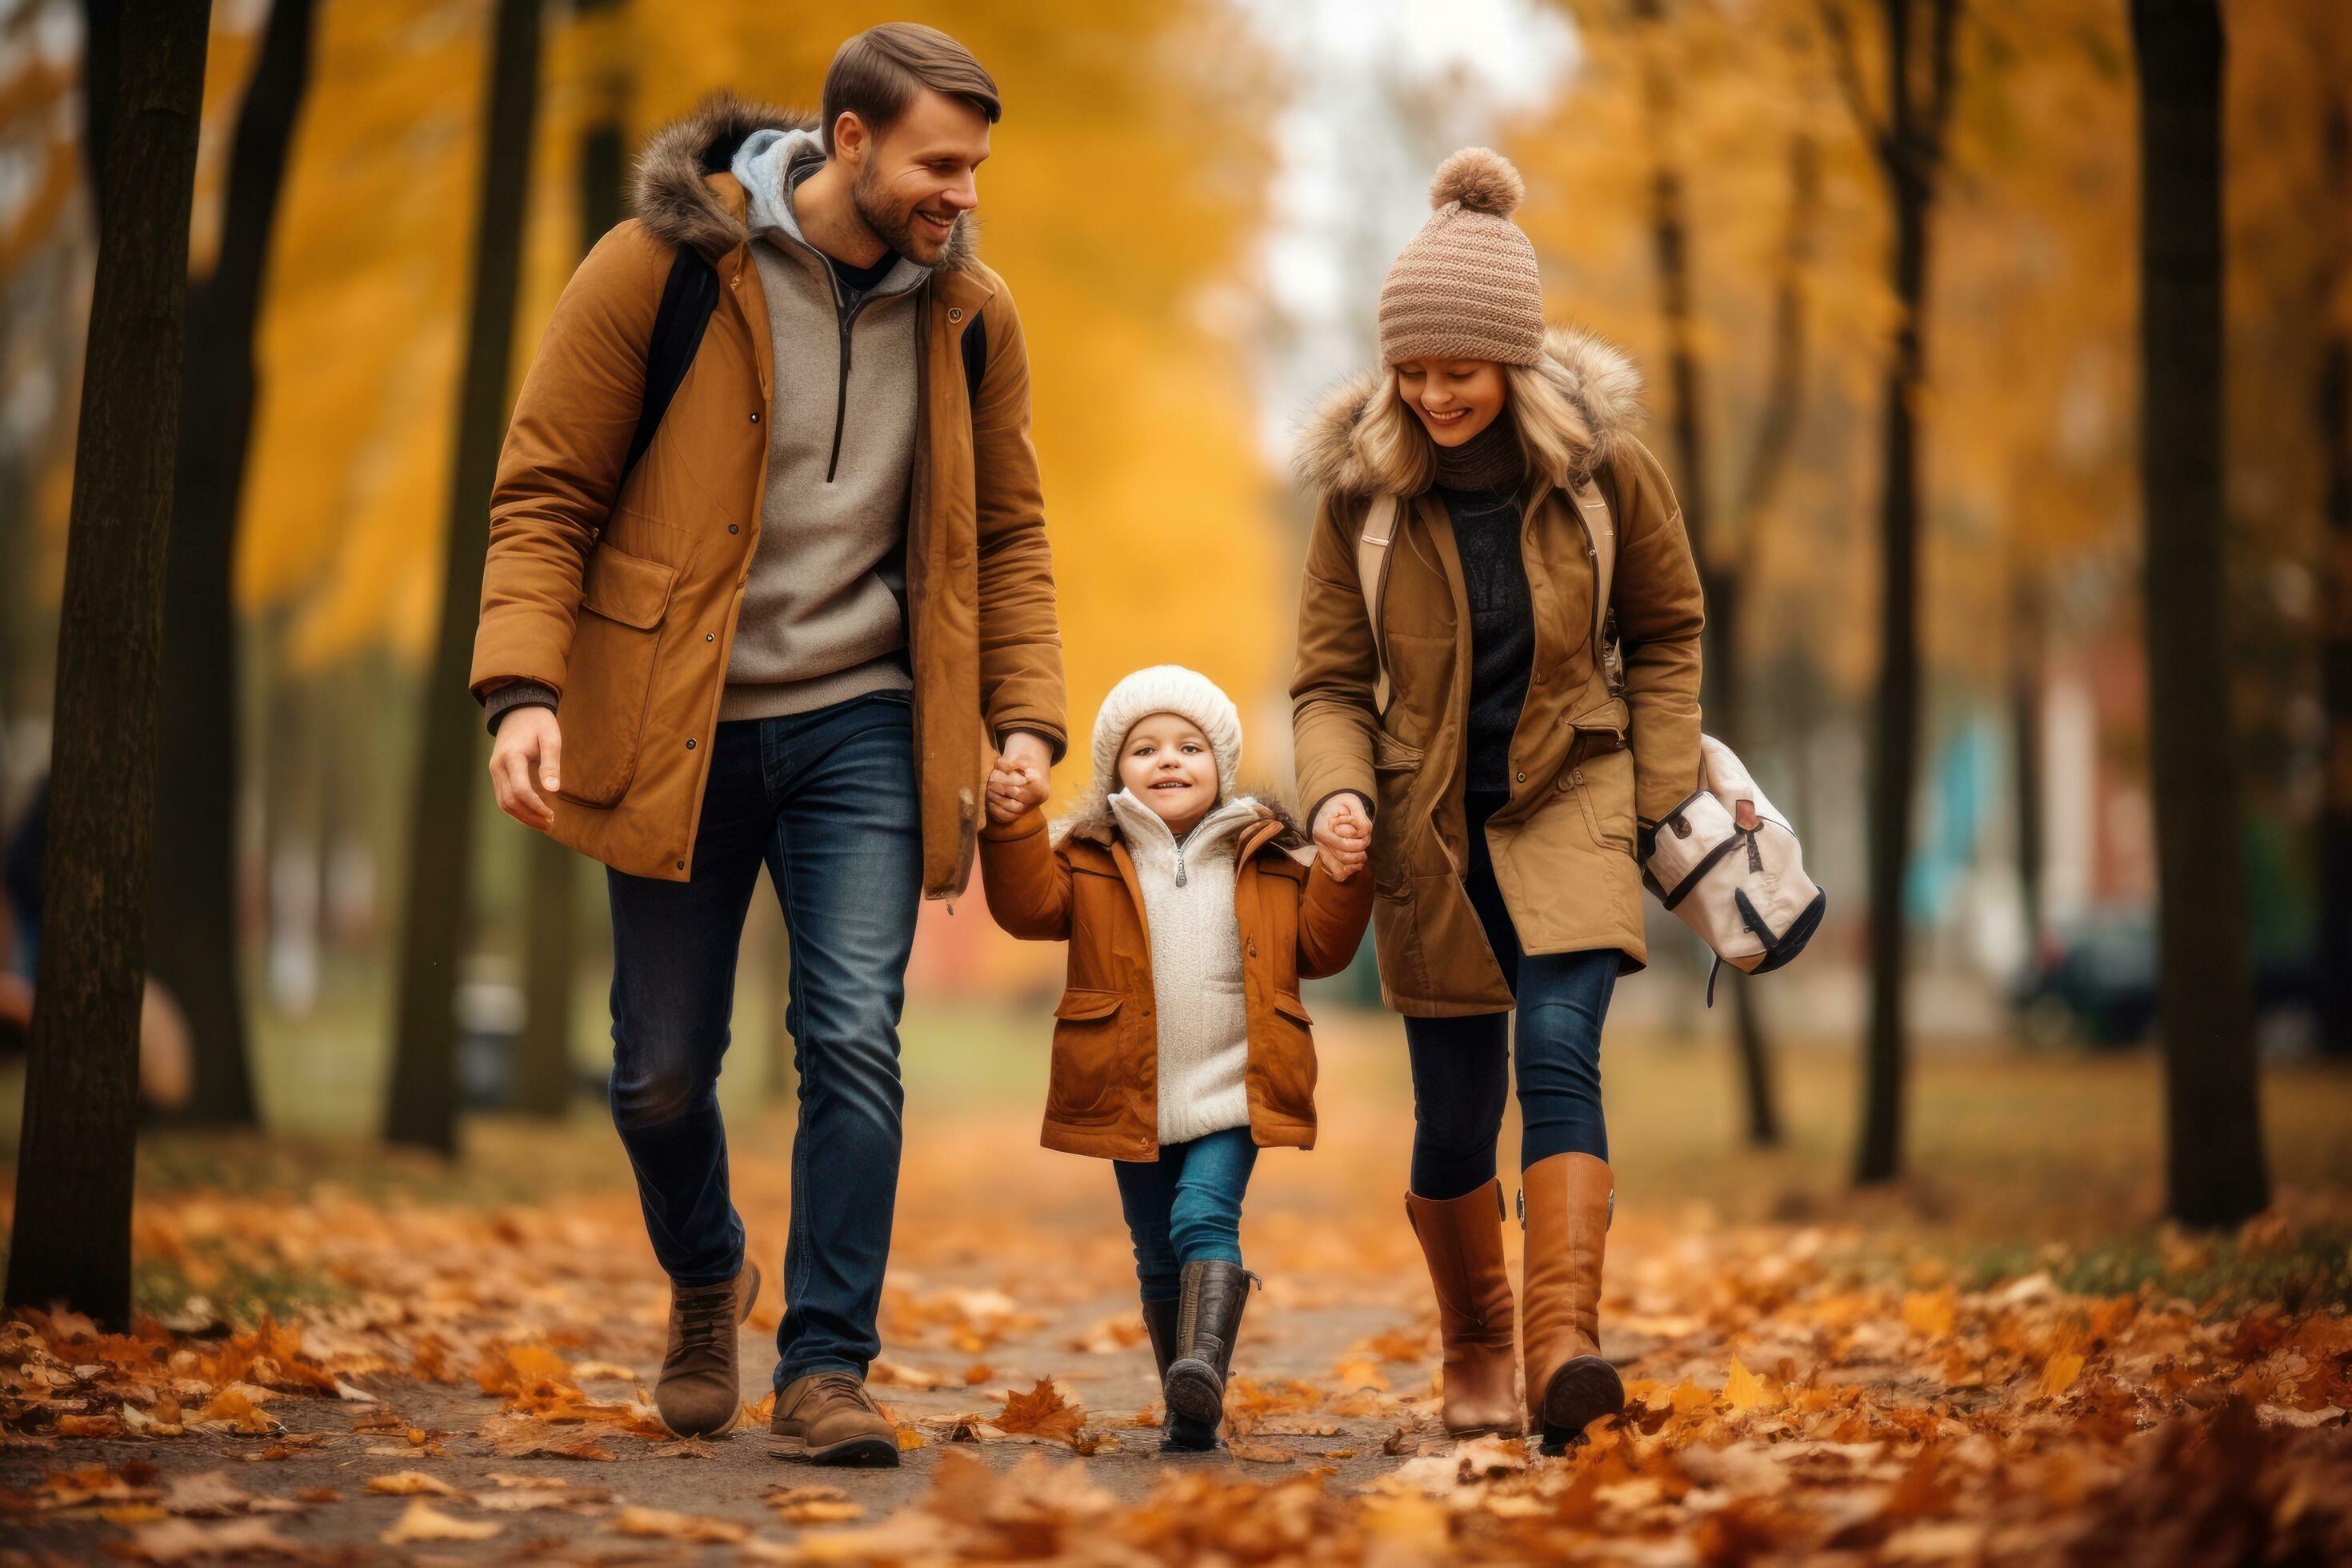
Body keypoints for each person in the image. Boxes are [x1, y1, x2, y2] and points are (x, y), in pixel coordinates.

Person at [470, 24, 1066, 1465]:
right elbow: (546, 489)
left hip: (864, 719)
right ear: (847, 141)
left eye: (975, 167)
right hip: (675, 717)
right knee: (658, 1074)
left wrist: (1028, 717)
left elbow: (1009, 532)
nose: (962, 194)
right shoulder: (663, 268)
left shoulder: (969, 315)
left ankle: (826, 1365)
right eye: (938, 163)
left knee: (853, 1034)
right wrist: (524, 689)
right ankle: (702, 1271)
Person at [1289, 149, 1705, 1450]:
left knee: (1562, 1052)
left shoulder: (1602, 474)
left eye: (1457, 370)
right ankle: (1475, 1339)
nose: (1432, 394)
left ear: (1514, 362)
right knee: (1455, 1115)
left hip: (1573, 801)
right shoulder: (1361, 494)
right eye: (1412, 370)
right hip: (1427, 838)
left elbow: (1671, 624)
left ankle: (1561, 1350)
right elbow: (1324, 680)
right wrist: (1339, 797)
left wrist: (1662, 792)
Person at [977, 666, 1372, 1450]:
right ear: (1113, 771)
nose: (1168, 760)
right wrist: (1017, 824)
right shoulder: (1089, 856)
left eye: (1189, 746)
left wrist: (1342, 872)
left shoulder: (1263, 856)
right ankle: (1189, 1409)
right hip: (1132, 1087)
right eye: (1144, 748)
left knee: (1202, 1217)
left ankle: (1204, 1367)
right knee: (1157, 1252)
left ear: (1221, 763)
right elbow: (1025, 909)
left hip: (1231, 1084)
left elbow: (1321, 949)